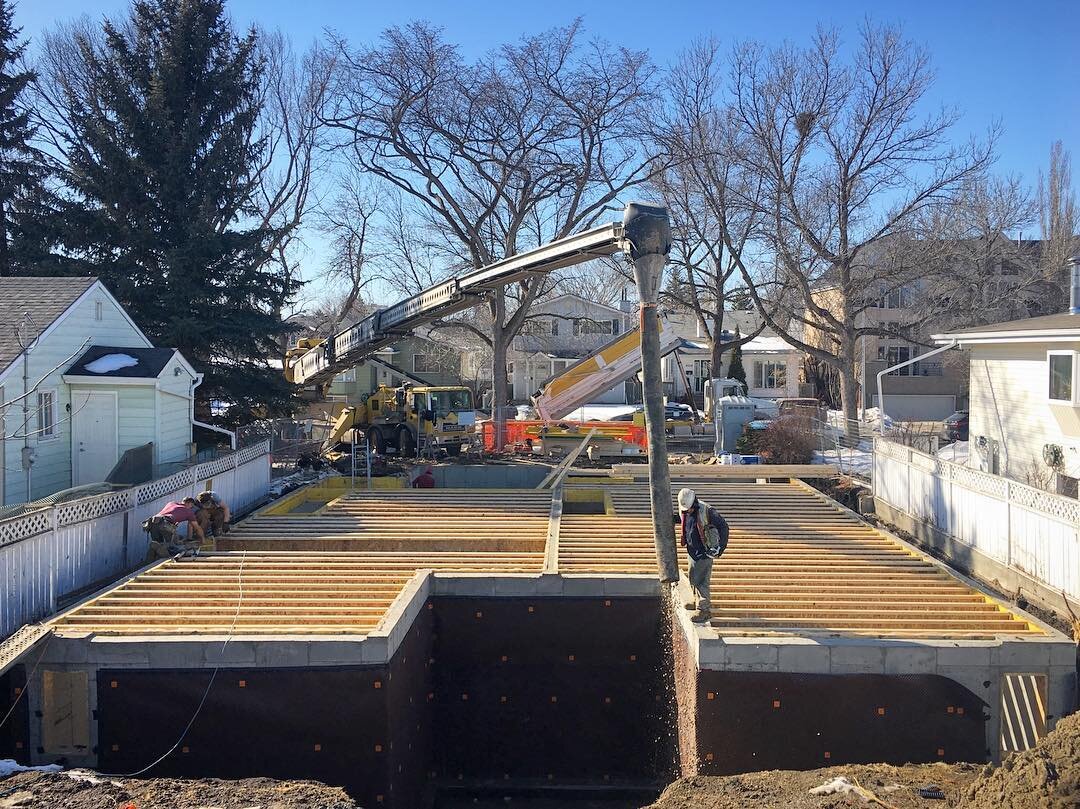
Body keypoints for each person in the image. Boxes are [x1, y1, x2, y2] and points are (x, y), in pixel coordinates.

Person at [674, 487, 729, 624]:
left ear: (694, 502)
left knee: (701, 581)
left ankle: (704, 610)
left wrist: (720, 548)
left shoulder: (707, 511)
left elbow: (724, 527)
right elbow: (685, 522)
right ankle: (696, 600)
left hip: (705, 551)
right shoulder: (685, 509)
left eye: (690, 508)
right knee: (693, 577)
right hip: (692, 550)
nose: (688, 511)